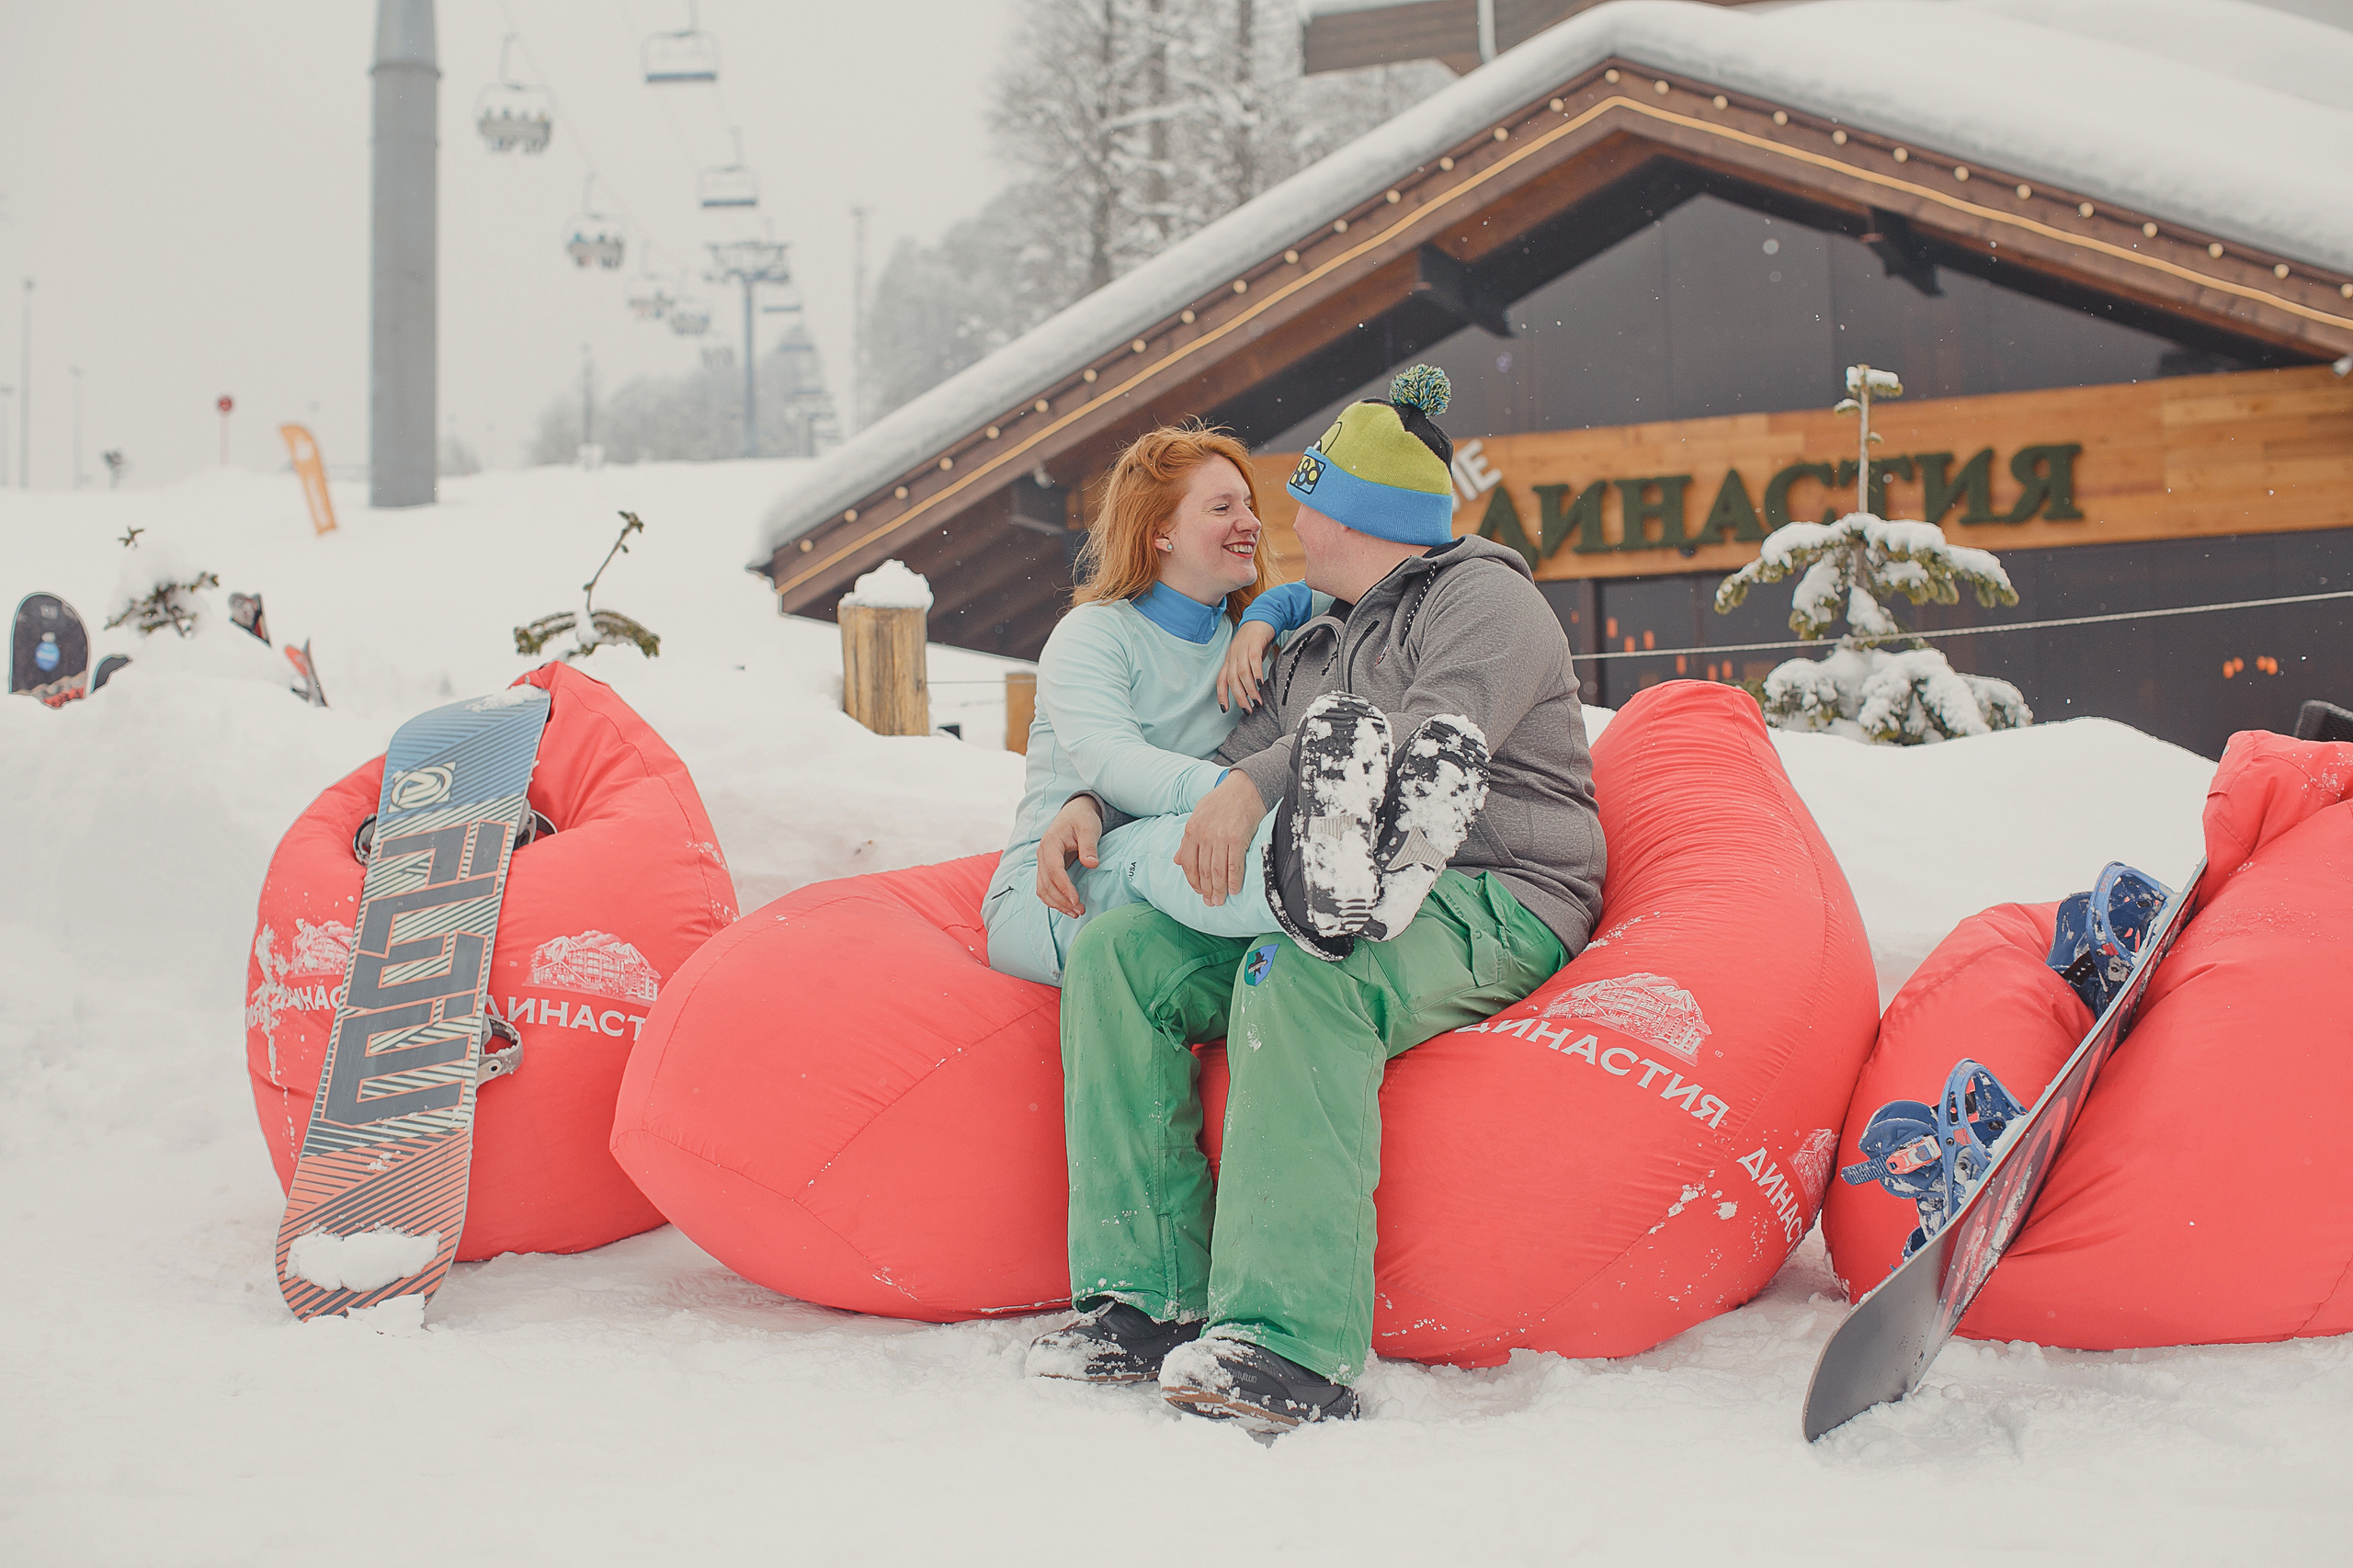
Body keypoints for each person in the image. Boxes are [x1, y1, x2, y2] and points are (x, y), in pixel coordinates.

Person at [1024, 366, 1607, 1430]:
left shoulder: (1485, 598)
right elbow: (1230, 757)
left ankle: (1289, 1341)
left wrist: (1252, 789)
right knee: (1122, 954)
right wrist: (1089, 806)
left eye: (1304, 497)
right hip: (1333, 880)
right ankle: (1142, 1295)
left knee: (1299, 968)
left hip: (1491, 888)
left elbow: (1424, 734)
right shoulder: (1310, 643)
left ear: (1353, 514)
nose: (1284, 517)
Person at [983, 424, 1322, 987]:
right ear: (1160, 531)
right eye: (1221, 507)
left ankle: (1324, 872)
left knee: (1180, 841)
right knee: (1158, 839)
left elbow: (1349, 592)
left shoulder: (1244, 636)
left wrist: (1269, 611)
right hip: (1056, 892)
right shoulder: (1092, 635)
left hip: (1182, 883)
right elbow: (1115, 764)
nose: (1251, 521)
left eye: (1247, 502)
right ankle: (1313, 883)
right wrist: (1239, 791)